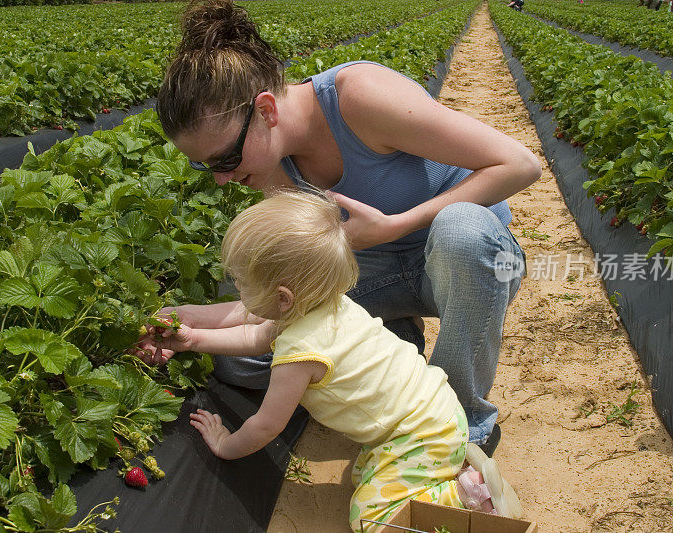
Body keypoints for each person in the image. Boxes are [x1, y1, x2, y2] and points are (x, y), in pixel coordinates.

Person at [147, 0, 541, 454]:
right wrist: (187, 323)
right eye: (204, 166)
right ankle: (394, 338)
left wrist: (394, 226)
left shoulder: (360, 96)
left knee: (462, 230)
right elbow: (282, 296)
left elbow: (519, 164)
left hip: (468, 265)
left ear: (266, 110)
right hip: (370, 272)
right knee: (243, 364)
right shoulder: (271, 166)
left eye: (224, 159)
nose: (220, 177)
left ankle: (465, 419)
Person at [138, 191, 522, 532]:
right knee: (364, 475)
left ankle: (465, 499)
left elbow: (266, 425)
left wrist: (226, 445)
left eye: (239, 282)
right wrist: (193, 339)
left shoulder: (300, 354)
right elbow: (258, 334)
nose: (235, 288)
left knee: (371, 515)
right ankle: (450, 470)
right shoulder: (330, 303)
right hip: (436, 410)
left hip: (420, 435)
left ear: (284, 298)